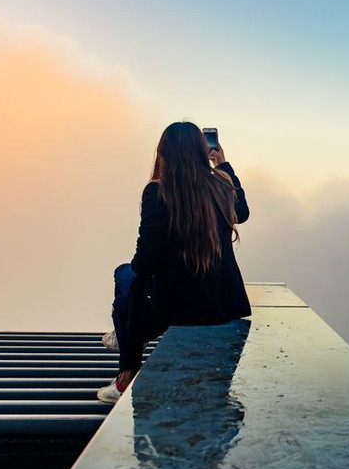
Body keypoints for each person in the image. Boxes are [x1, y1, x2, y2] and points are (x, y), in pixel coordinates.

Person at [97, 121, 251, 403]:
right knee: (128, 285)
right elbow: (242, 213)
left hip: (178, 306)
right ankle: (123, 336)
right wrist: (224, 165)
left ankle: (126, 375)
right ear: (203, 152)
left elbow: (145, 263)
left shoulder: (157, 191)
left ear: (164, 153)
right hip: (223, 304)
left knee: (125, 277)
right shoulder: (220, 185)